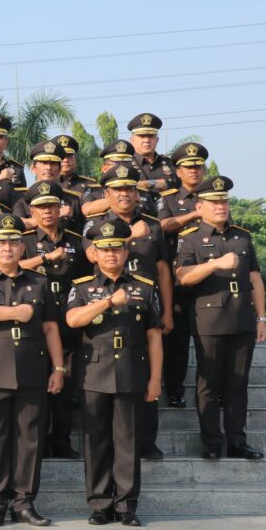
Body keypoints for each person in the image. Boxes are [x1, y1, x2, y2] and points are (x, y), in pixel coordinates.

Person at [0, 213, 65, 527]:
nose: (7, 248)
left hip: (31, 367)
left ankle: (24, 502)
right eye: (1, 242)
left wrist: (58, 367)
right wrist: (15, 312)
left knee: (29, 439)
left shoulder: (39, 282)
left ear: (23, 247)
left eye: (14, 242)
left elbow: (50, 328)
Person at [66, 217, 163, 526]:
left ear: (125, 252)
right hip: (94, 372)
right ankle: (99, 504)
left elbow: (154, 338)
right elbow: (73, 321)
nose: (111, 255)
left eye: (117, 249)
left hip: (132, 372)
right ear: (94, 252)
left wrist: (155, 379)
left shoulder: (144, 288)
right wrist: (107, 301)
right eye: (104, 249)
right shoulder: (82, 287)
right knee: (96, 441)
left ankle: (126, 505)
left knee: (128, 441)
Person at [82, 164, 173, 460]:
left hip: (144, 303)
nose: (125, 194)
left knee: (146, 373)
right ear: (106, 194)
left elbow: (162, 270)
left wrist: (168, 311)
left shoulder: (153, 225)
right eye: (118, 190)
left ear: (137, 194)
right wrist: (130, 237)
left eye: (130, 189)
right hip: (106, 305)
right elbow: (89, 256)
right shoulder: (96, 226)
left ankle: (147, 441)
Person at [174, 176, 266, 461]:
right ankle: (212, 443)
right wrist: (215, 263)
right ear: (199, 206)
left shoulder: (242, 236)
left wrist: (261, 317)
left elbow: (254, 278)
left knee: (238, 384)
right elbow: (183, 277)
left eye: (224, 201)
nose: (221, 206)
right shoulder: (189, 238)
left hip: (242, 319)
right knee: (209, 384)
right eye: (214, 202)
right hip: (210, 321)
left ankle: (237, 442)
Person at [19, 181, 90, 459]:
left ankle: (60, 441)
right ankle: (36, 442)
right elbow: (12, 267)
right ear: (32, 211)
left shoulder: (75, 241)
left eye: (51, 206)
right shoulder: (23, 241)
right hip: (34, 322)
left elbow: (86, 276)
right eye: (40, 207)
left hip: (66, 323)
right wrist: (45, 259)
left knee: (64, 386)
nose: (46, 212)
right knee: (36, 387)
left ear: (60, 209)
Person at [157, 142, 210, 408]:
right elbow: (163, 226)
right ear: (178, 171)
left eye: (198, 167)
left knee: (209, 342)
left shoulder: (213, 197)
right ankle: (176, 389)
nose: (194, 171)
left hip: (209, 281)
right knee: (176, 342)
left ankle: (213, 390)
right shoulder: (168, 198)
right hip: (178, 280)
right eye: (188, 167)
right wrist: (194, 214)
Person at [14, 141, 82, 233]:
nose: (48, 167)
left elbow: (79, 233)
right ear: (33, 168)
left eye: (53, 163)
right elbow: (17, 226)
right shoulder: (20, 197)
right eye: (44, 163)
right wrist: (55, 215)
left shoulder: (73, 200)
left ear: (59, 169)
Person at [129, 113, 179, 216]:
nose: (147, 140)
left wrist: (146, 184)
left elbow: (180, 186)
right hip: (137, 218)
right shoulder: (124, 164)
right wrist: (152, 183)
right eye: (141, 136)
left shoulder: (170, 164)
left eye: (151, 136)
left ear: (157, 140)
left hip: (169, 218)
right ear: (132, 140)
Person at [80, 140, 136, 218]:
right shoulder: (94, 190)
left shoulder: (138, 190)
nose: (122, 168)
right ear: (104, 168)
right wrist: (123, 199)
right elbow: (87, 209)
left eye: (126, 164)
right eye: (117, 164)